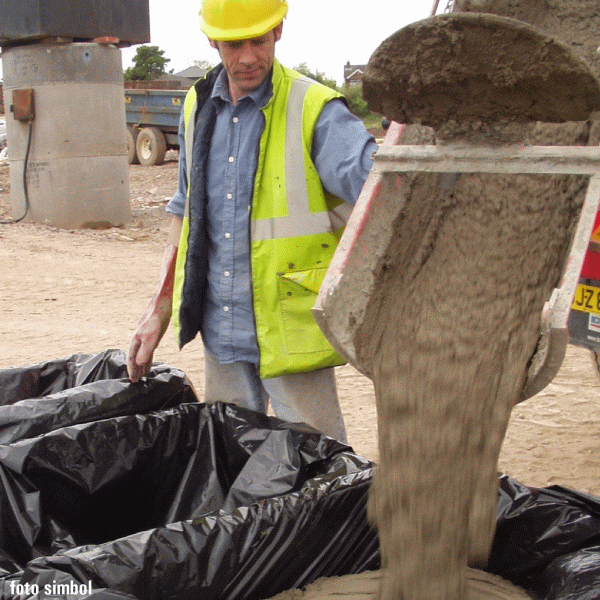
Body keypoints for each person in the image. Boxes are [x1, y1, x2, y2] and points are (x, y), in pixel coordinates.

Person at [127, 0, 378, 442]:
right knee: (230, 467)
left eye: (257, 40)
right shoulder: (196, 104)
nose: (246, 58)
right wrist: (160, 308)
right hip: (221, 329)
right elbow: (185, 211)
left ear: (279, 30)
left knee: (318, 474)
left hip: (290, 330)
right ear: (212, 40)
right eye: (233, 43)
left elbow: (382, 190)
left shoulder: (315, 109)